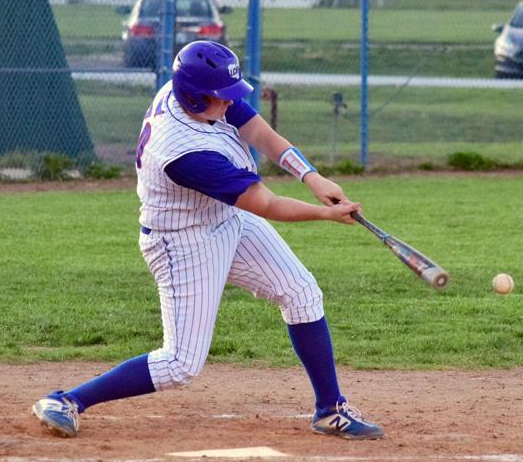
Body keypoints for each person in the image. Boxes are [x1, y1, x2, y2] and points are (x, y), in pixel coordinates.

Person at [32, 41, 383, 441]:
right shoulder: (184, 152)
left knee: (301, 292)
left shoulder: (198, 92)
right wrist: (325, 213)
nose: (229, 105)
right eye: (221, 99)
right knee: (180, 363)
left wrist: (312, 177)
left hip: (223, 216)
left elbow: (261, 134)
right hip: (182, 241)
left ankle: (329, 409)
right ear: (194, 97)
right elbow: (264, 203)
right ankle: (66, 400)